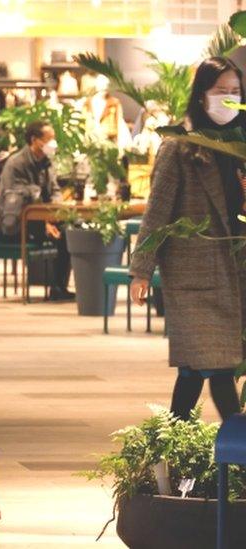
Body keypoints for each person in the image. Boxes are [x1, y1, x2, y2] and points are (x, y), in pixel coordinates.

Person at [129, 56, 246, 422]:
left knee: (197, 370)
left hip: (235, 272)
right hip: (195, 276)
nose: (228, 99)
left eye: (235, 92)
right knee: (217, 366)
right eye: (220, 91)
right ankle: (236, 447)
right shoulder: (180, 146)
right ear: (201, 95)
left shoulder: (240, 145)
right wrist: (141, 270)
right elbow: (157, 211)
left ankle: (172, 454)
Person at [0, 120, 73, 300]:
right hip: (15, 225)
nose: (53, 142)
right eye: (49, 138)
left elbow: (55, 191)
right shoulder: (15, 164)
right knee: (60, 236)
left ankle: (58, 287)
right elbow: (14, 203)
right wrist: (44, 223)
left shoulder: (46, 163)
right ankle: (56, 288)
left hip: (40, 222)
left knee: (70, 231)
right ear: (34, 140)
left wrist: (54, 212)